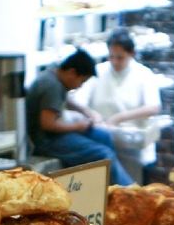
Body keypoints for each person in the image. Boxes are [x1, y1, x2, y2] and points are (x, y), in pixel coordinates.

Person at [26, 49, 133, 186]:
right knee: (105, 155)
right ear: (71, 72)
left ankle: (110, 189)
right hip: (47, 141)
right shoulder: (52, 86)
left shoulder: (54, 73)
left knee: (104, 136)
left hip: (54, 134)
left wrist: (85, 111)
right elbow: (47, 124)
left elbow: (63, 100)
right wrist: (78, 126)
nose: (80, 86)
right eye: (81, 81)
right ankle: (129, 191)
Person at [74, 29, 164, 182]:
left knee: (131, 190)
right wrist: (90, 114)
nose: (114, 62)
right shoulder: (99, 71)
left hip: (132, 144)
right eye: (111, 56)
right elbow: (78, 99)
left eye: (120, 58)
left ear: (132, 54)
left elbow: (153, 107)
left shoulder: (143, 74)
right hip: (103, 139)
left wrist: (120, 117)